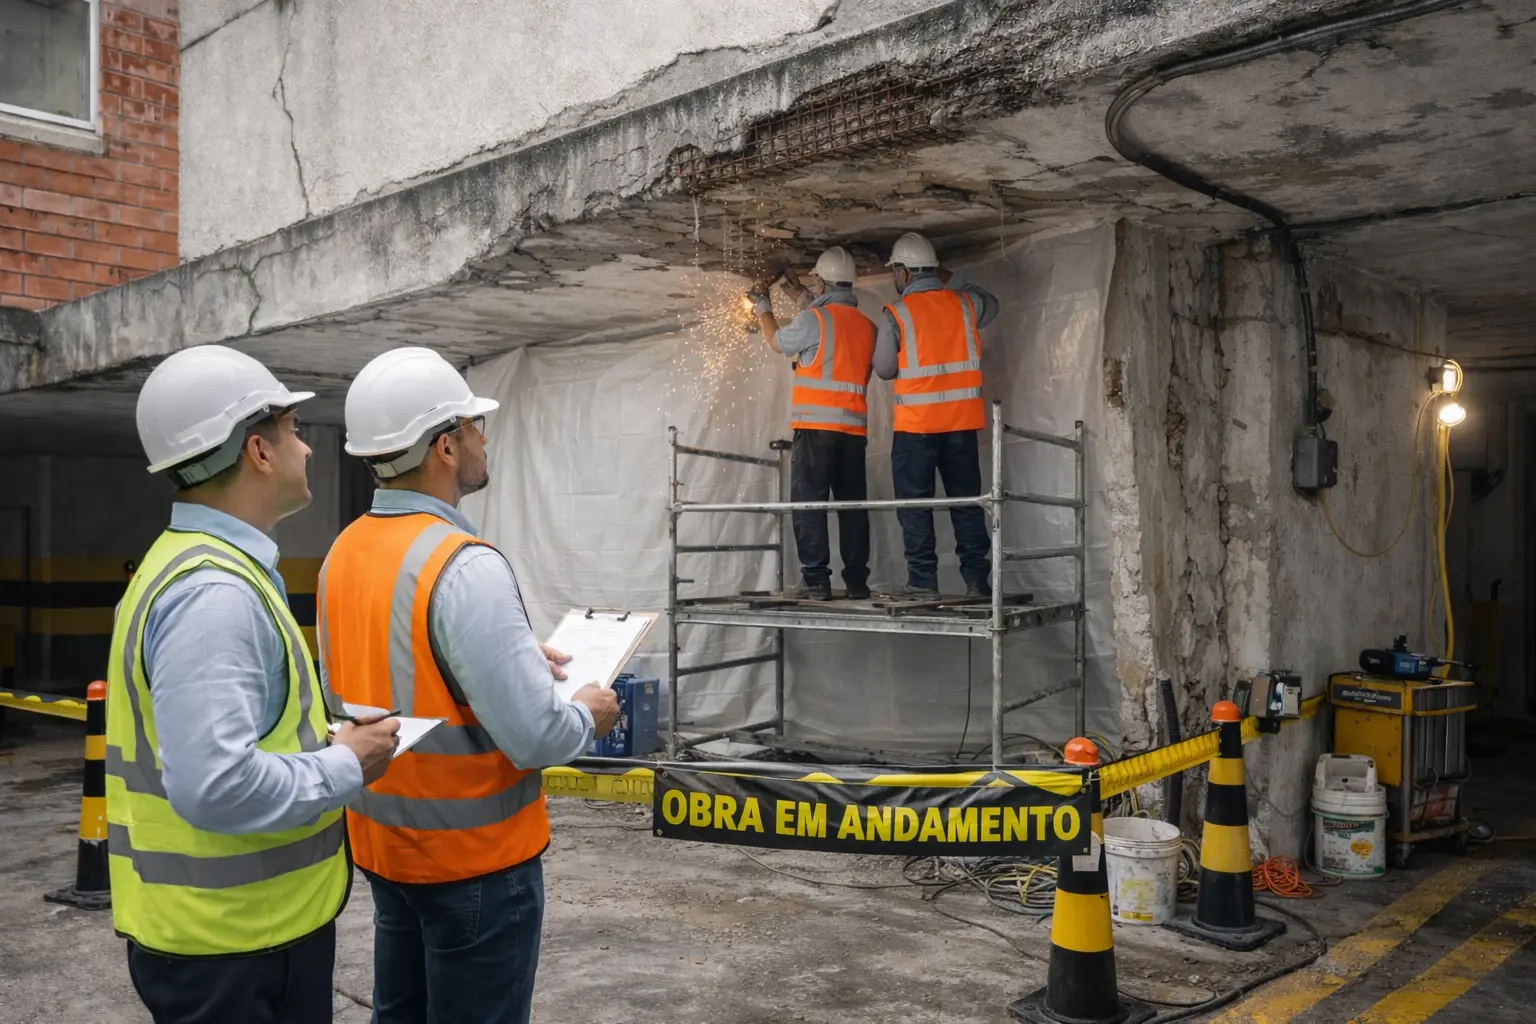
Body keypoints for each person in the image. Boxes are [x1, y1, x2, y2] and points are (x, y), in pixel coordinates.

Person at [320, 346, 620, 1024]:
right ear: (446, 446)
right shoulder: (464, 565)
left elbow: (383, 672)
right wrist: (586, 712)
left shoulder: (345, 552)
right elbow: (537, 737)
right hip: (474, 864)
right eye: (473, 425)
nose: (484, 438)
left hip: (385, 849)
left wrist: (496, 661)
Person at [106, 345, 401, 1024]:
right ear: (258, 451)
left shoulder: (193, 566)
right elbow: (215, 785)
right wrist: (347, 763)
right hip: (236, 947)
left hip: (228, 939)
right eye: (292, 429)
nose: (308, 448)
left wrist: (328, 739)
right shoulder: (214, 593)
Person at [874, 232, 1002, 598]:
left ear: (903, 273)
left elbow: (884, 368)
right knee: (967, 504)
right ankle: (977, 582)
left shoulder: (897, 314)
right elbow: (992, 304)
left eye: (895, 272)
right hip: (961, 426)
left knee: (916, 506)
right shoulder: (965, 305)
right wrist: (948, 277)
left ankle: (922, 582)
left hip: (916, 428)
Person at [748, 246, 877, 601]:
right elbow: (833, 330)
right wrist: (803, 298)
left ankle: (816, 580)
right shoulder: (867, 327)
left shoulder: (813, 321)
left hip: (816, 430)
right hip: (853, 433)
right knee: (852, 508)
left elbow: (777, 341)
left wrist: (762, 306)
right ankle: (857, 582)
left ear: (820, 282)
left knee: (809, 504)